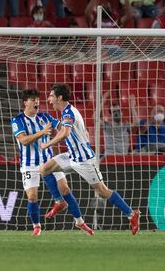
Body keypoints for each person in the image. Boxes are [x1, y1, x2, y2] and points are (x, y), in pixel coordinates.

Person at [38, 83, 141, 235]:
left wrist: (48, 143)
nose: (49, 99)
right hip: (71, 156)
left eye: (52, 96)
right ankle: (60, 202)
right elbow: (69, 129)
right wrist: (51, 121)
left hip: (84, 160)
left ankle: (132, 214)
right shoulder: (68, 112)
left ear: (59, 97)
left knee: (102, 191)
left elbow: (65, 132)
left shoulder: (69, 113)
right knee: (44, 169)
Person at [11, 89, 76, 235]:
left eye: (38, 99)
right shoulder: (17, 120)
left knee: (65, 189)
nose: (37, 102)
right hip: (29, 164)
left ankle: (80, 221)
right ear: (25, 102)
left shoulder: (45, 116)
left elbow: (63, 127)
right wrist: (42, 132)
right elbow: (23, 140)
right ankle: (37, 226)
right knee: (32, 197)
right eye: (33, 99)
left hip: (49, 161)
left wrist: (74, 130)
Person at [102, 92, 137, 156]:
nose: (116, 113)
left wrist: (132, 107)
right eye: (114, 112)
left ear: (122, 113)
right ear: (111, 115)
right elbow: (95, 118)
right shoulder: (106, 125)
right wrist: (102, 102)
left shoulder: (126, 126)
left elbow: (136, 123)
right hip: (109, 157)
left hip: (123, 158)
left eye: (118, 111)